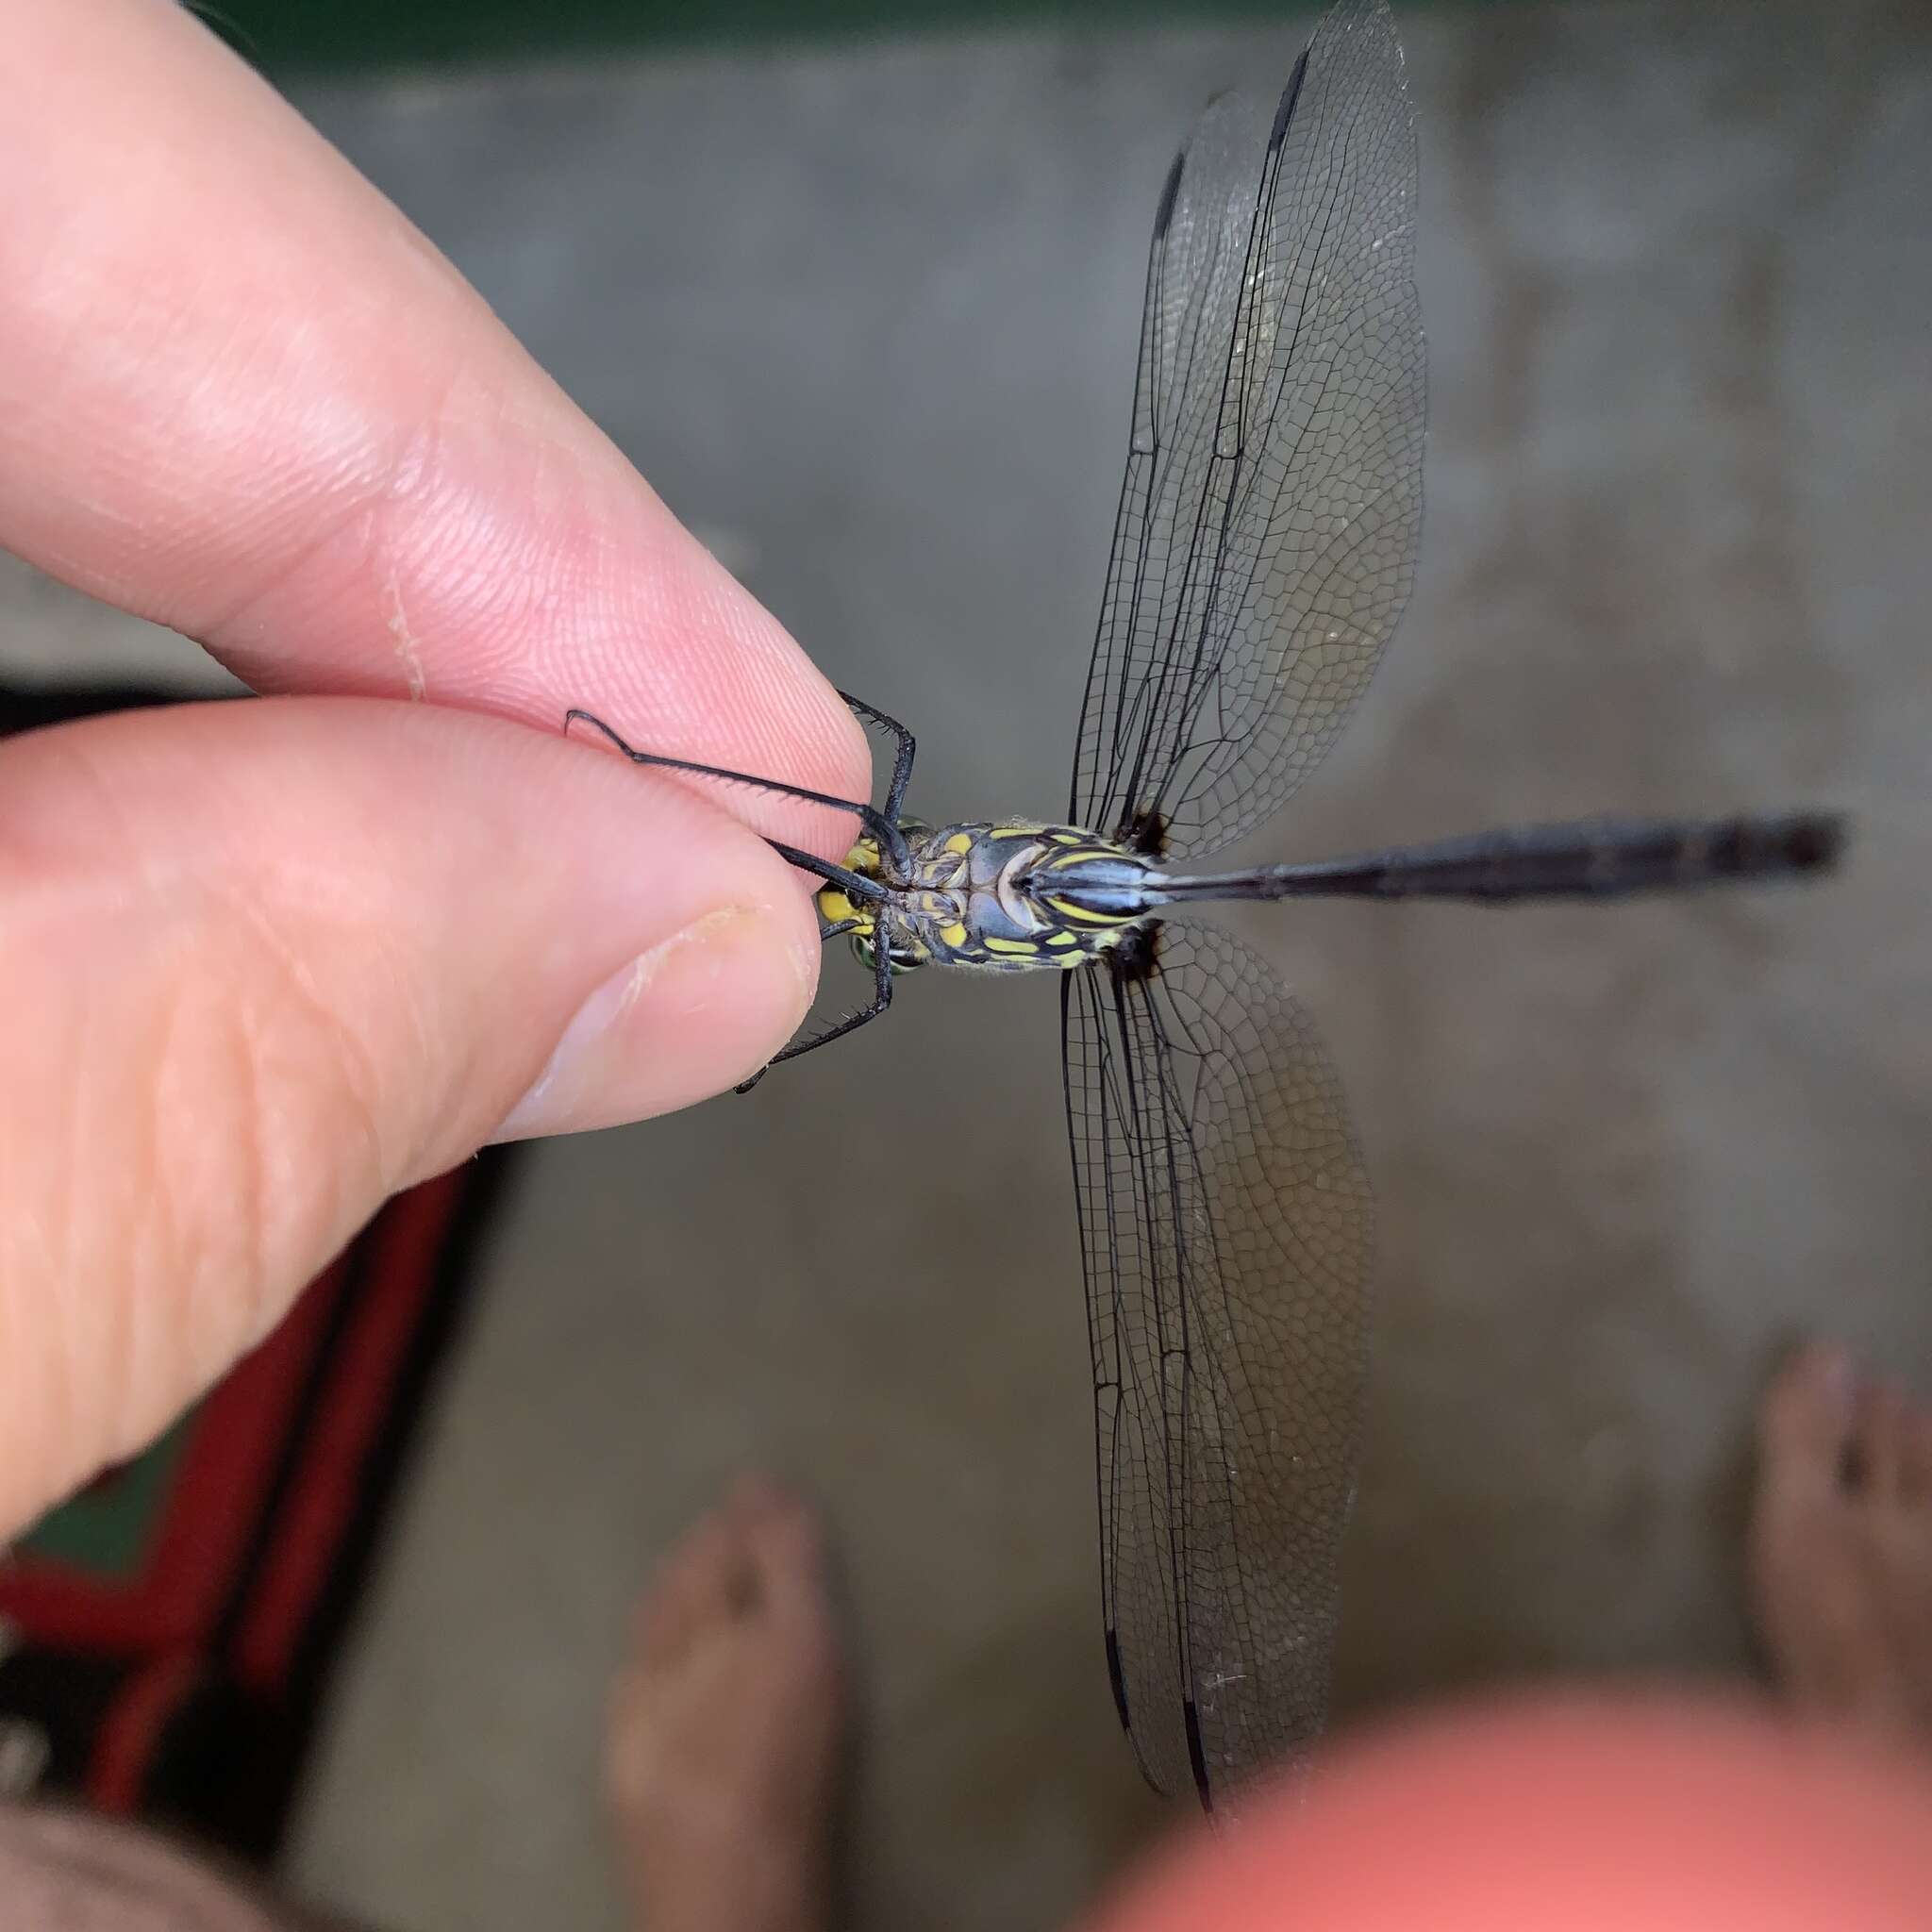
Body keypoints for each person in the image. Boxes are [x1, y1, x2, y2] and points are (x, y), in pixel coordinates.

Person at [3, 4, 1930, 1928]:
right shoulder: (898, 883)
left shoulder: (890, 904)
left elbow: (855, 815)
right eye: (872, 915)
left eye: (874, 915)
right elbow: (855, 807)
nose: (870, 912)